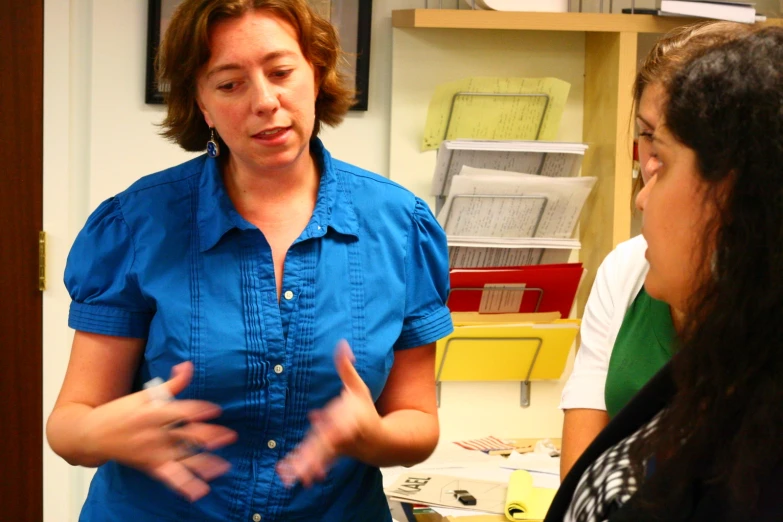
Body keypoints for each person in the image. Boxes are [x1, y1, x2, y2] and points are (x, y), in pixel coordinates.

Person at [45, 1, 454, 520]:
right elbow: (69, 424)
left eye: (281, 72)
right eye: (230, 84)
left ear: (316, 72)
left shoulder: (399, 225)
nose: (265, 101)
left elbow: (417, 421)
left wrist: (372, 437)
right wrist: (98, 432)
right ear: (203, 104)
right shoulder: (138, 223)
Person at [545, 25, 783, 521]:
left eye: (666, 158)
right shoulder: (709, 342)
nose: (643, 190)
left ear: (736, 189)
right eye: (644, 140)